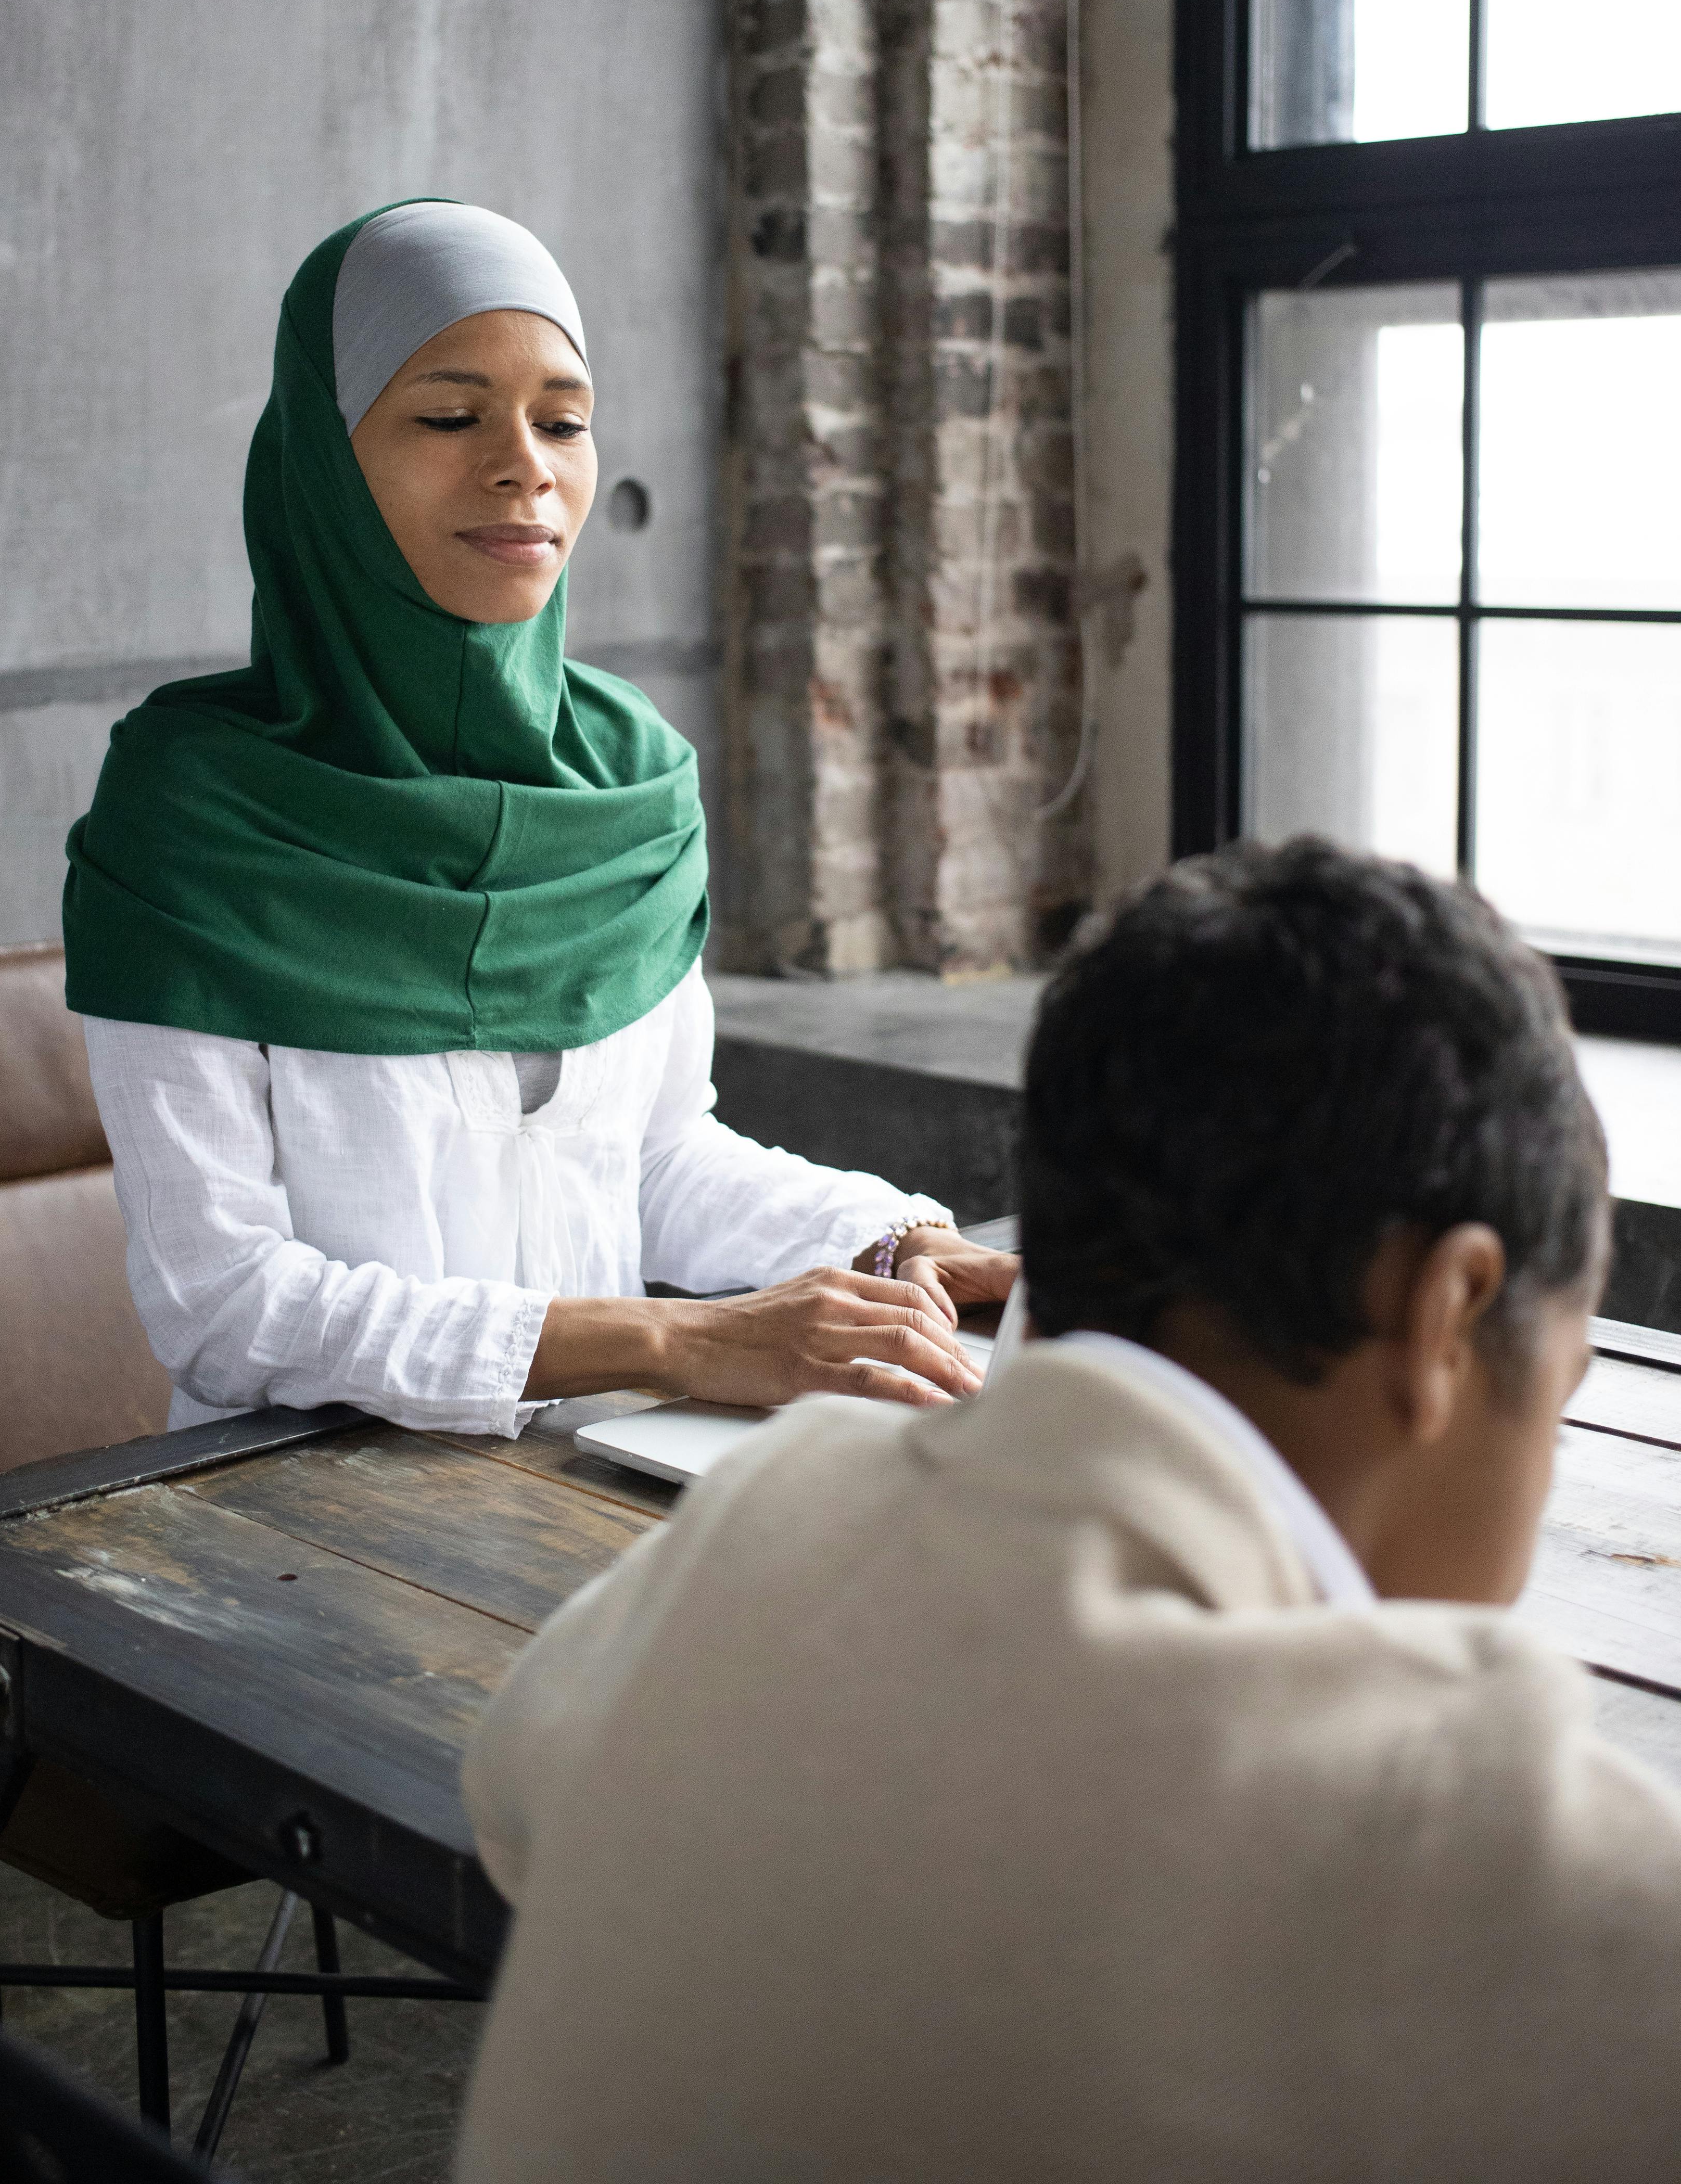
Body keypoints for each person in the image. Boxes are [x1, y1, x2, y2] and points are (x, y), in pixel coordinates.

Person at [456, 837, 1681, 2183]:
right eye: (1559, 1382)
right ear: (1446, 1315)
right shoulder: (1466, 1825)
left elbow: (512, 1789)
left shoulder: (763, 1518)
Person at [64, 199, 1013, 1435]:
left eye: (563, 421)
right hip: (292, 1529)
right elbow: (225, 1303)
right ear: (325, 462)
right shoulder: (189, 812)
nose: (527, 466)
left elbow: (657, 1158)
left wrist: (893, 1244)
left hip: (596, 1482)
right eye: (450, 417)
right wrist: (681, 1340)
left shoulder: (630, 781)